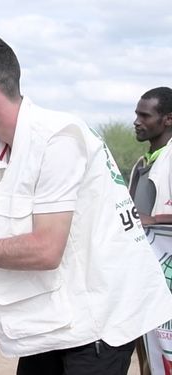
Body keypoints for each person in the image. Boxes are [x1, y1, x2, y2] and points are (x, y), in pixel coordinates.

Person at [0, 35, 172, 375]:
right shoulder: (4, 154)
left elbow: (44, 251)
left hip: (98, 324)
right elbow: (8, 246)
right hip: (56, 322)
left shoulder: (57, 140)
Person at [127, 87, 172, 375]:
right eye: (136, 114)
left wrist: (154, 221)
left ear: (168, 119)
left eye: (145, 115)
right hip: (145, 281)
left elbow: (150, 220)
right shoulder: (144, 164)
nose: (137, 121)